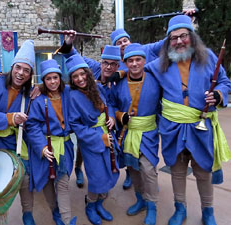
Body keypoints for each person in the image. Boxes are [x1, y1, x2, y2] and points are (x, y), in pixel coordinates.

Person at [145, 15, 231, 225]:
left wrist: (219, 95)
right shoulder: (159, 64)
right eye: (173, 38)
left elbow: (224, 82)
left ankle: (208, 212)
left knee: (203, 170)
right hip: (172, 127)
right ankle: (180, 209)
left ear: (192, 37)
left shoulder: (209, 57)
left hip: (201, 126)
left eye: (183, 36)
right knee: (177, 170)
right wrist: (118, 74)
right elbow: (136, 65)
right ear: (168, 42)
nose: (179, 41)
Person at [0, 40, 37, 225]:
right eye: (18, 68)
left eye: (26, 70)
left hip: (15, 142)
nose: (21, 73)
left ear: (30, 75)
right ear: (11, 67)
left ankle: (27, 213)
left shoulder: (29, 94)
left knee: (26, 178)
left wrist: (41, 87)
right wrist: (10, 118)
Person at [109, 43, 161, 225]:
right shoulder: (119, 84)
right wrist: (119, 115)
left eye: (138, 59)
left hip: (148, 133)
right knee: (133, 169)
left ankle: (152, 205)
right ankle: (140, 200)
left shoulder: (155, 79)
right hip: (127, 132)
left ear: (144, 61)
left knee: (148, 170)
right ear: (125, 63)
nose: (134, 64)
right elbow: (111, 104)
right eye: (130, 60)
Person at [67, 54, 120, 225]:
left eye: (82, 74)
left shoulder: (98, 88)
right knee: (97, 177)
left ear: (88, 74)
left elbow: (109, 104)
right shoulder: (72, 96)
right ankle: (90, 204)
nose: (80, 79)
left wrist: (111, 116)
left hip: (108, 135)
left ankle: (100, 203)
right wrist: (100, 137)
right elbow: (76, 125)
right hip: (92, 141)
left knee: (110, 171)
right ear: (71, 79)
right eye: (75, 76)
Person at [25, 59, 77, 225]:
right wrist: (41, 147)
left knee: (62, 183)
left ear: (60, 78)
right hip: (46, 147)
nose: (53, 81)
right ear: (43, 81)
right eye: (48, 79)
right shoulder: (38, 100)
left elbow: (88, 83)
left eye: (55, 77)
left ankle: (67, 220)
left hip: (65, 147)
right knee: (47, 181)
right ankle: (55, 210)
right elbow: (32, 126)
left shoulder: (68, 93)